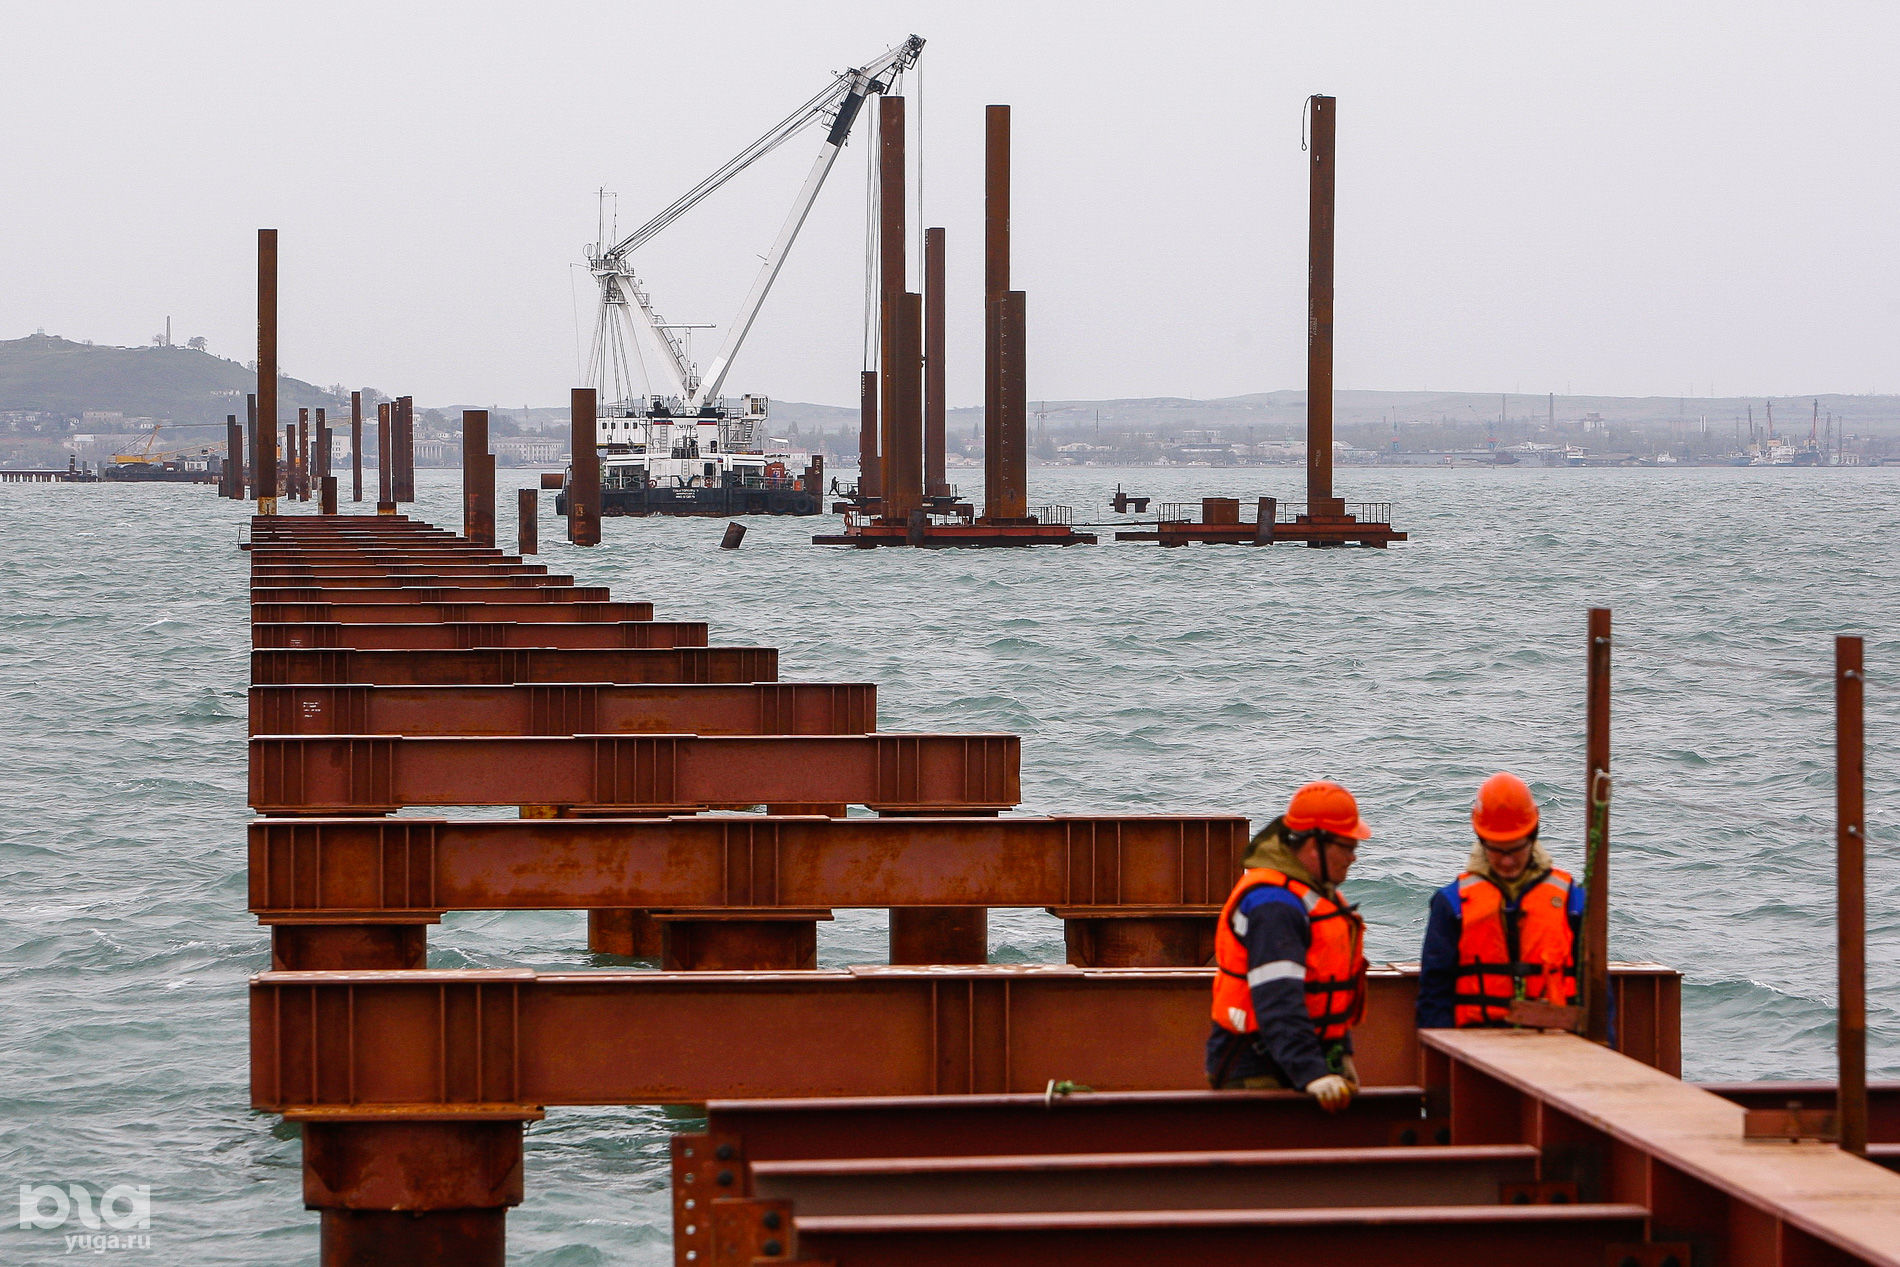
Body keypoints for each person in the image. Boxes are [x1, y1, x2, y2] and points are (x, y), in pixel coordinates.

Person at [1207, 780, 1370, 1112]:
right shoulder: (1274, 906)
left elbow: (1326, 985)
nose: (1353, 858)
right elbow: (1278, 1000)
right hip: (1256, 1065)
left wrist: (1342, 1053)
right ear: (1314, 846)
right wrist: (1313, 1074)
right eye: (1347, 846)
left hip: (1302, 1057)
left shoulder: (1315, 895)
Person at [1416, 771, 1586, 1029]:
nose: (1507, 861)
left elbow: (1594, 988)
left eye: (1516, 848)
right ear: (1481, 840)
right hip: (1474, 1046)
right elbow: (1433, 996)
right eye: (1496, 849)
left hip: (1556, 1045)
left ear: (1533, 836)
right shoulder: (1452, 903)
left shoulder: (1570, 900)